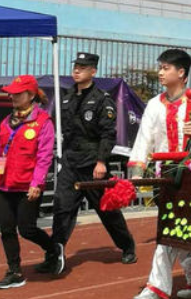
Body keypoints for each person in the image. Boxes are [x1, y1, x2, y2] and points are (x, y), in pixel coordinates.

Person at [36, 53, 136, 275]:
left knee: (107, 210)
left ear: (93, 71)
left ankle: (127, 245)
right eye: (76, 66)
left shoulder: (102, 99)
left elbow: (108, 134)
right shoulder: (66, 97)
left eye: (83, 67)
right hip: (71, 162)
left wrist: (101, 161)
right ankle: (55, 255)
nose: (77, 70)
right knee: (62, 208)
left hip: (93, 164)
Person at [130, 49, 191, 299]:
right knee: (172, 228)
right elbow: (144, 138)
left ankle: (161, 286)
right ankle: (185, 283)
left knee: (181, 229)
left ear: (181, 72)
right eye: (160, 68)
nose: (160, 73)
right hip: (166, 174)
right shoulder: (154, 104)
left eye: (166, 68)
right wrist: (137, 172)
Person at [0, 76, 58, 288]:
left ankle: (53, 249)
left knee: (27, 229)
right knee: (6, 229)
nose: (12, 96)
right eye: (11, 92)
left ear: (31, 95)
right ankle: (14, 271)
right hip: (5, 184)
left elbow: (44, 157)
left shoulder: (43, 122)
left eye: (18, 93)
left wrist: (37, 183)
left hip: (28, 186)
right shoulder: (6, 122)